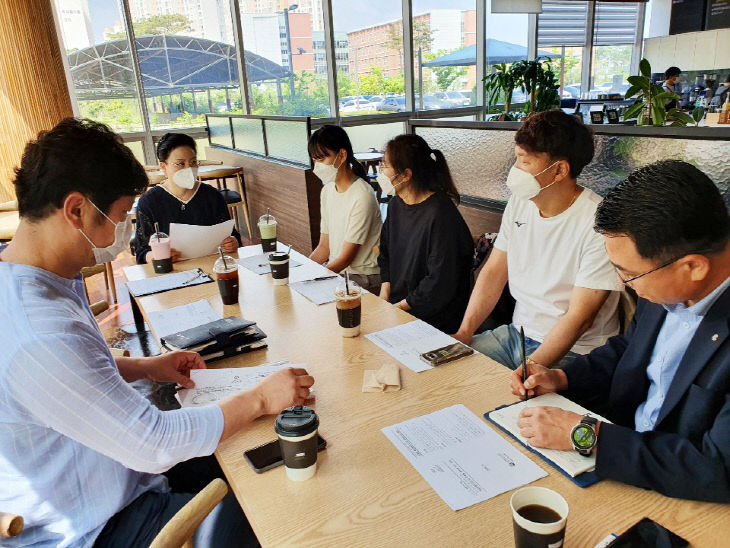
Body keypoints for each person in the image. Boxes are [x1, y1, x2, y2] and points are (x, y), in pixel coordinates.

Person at [0, 118, 314, 547]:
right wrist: (260, 395)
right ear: (76, 210)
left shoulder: (26, 280)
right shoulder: (41, 330)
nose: (122, 232)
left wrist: (146, 366)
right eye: (118, 217)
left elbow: (66, 376)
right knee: (276, 506)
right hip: (101, 524)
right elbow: (153, 444)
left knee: (251, 453)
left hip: (108, 475)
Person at [510, 160, 730, 502]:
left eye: (629, 274)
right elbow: (628, 350)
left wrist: (588, 435)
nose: (621, 283)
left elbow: (717, 468)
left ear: (693, 267)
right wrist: (561, 378)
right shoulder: (665, 282)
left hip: (675, 491)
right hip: (618, 456)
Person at [453, 110, 622, 370]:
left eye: (525, 162)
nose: (515, 170)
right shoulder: (520, 203)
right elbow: (494, 272)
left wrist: (531, 368)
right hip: (517, 334)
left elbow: (580, 318)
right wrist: (465, 332)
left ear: (559, 170)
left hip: (576, 350)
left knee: (505, 401)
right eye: (516, 159)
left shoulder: (599, 222)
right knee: (449, 368)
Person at [377, 134, 473, 334]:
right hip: (401, 308)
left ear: (405, 175)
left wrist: (399, 308)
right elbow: (385, 253)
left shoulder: (441, 214)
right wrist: (384, 295)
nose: (380, 172)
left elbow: (439, 283)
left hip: (433, 318)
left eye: (385, 166)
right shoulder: (396, 204)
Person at [134, 133, 241, 265]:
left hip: (212, 266)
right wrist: (155, 256)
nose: (189, 169)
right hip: (172, 272)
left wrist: (233, 242)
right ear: (163, 167)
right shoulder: (149, 202)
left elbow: (233, 235)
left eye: (193, 162)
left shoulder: (212, 196)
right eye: (180, 164)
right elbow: (141, 252)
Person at [308, 125, 382, 293]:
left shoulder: (362, 195)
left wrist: (313, 279)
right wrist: (304, 271)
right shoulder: (327, 190)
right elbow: (323, 248)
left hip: (363, 277)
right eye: (315, 160)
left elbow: (345, 258)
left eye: (322, 159)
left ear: (342, 155)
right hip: (340, 272)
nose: (318, 166)